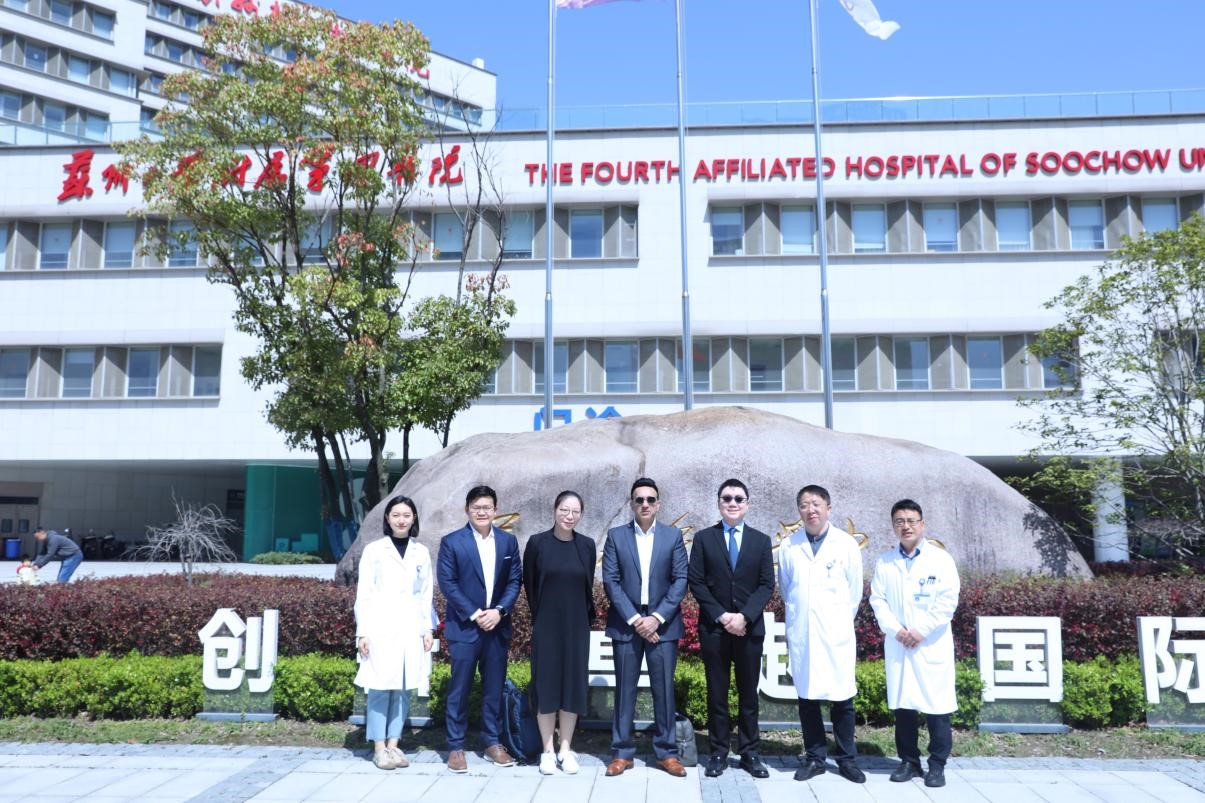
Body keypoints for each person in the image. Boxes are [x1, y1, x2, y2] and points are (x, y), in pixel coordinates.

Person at [777, 484, 866, 784]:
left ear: (829, 508)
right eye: (804, 505)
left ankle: (847, 759)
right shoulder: (790, 546)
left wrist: (835, 620)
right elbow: (787, 589)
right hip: (804, 632)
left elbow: (854, 591)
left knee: (842, 698)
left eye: (816, 504)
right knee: (807, 698)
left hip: (836, 633)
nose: (810, 510)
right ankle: (815, 757)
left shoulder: (846, 544)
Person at [869, 499, 961, 789]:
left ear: (922, 524)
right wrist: (897, 630)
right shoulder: (885, 561)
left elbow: (948, 600)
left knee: (937, 708)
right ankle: (909, 761)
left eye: (911, 521)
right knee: (904, 707)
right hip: (899, 643)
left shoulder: (941, 560)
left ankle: (937, 765)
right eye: (899, 521)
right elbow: (878, 600)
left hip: (931, 644)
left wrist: (921, 631)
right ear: (893, 526)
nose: (905, 526)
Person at [687, 478, 775, 779]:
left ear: (747, 504)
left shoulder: (761, 541)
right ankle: (718, 751)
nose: (733, 503)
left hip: (749, 630)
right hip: (715, 629)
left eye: (739, 498)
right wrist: (723, 616)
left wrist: (744, 617)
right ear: (719, 503)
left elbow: (766, 584)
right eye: (727, 498)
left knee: (748, 694)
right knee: (717, 693)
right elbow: (696, 581)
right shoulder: (704, 539)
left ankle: (750, 752)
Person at [602, 477, 689, 778]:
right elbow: (611, 580)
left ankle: (667, 753)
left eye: (650, 499)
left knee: (663, 690)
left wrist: (657, 617)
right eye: (639, 499)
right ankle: (622, 752)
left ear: (658, 504)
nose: (645, 504)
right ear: (631, 504)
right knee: (624, 690)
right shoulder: (616, 536)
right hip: (627, 625)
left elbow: (680, 579)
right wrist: (636, 619)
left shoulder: (672, 536)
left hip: (662, 626)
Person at [437, 485, 522, 773]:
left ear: (495, 510)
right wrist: (475, 614)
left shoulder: (508, 542)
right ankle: (455, 746)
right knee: (459, 689)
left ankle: (492, 743)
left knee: (494, 689)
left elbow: (515, 580)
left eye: (487, 507)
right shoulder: (452, 542)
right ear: (467, 510)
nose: (482, 512)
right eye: (476, 507)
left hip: (497, 626)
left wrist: (499, 611)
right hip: (465, 628)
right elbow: (448, 584)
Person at [354, 495, 435, 770]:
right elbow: (364, 593)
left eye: (407, 515)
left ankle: (393, 744)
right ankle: (379, 748)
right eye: (396, 515)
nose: (401, 520)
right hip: (380, 628)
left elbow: (425, 594)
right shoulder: (374, 550)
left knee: (403, 687)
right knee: (379, 687)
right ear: (387, 518)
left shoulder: (421, 552)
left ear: (414, 519)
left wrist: (427, 629)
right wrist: (363, 632)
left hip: (411, 628)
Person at [523, 490, 597, 775]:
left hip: (577, 626)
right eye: (564, 510)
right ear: (554, 510)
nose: (569, 516)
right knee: (546, 685)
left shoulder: (586, 545)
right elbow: (530, 584)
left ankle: (565, 749)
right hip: (547, 625)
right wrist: (542, 616)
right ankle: (548, 751)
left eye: (575, 511)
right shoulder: (538, 543)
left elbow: (587, 585)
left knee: (572, 687)